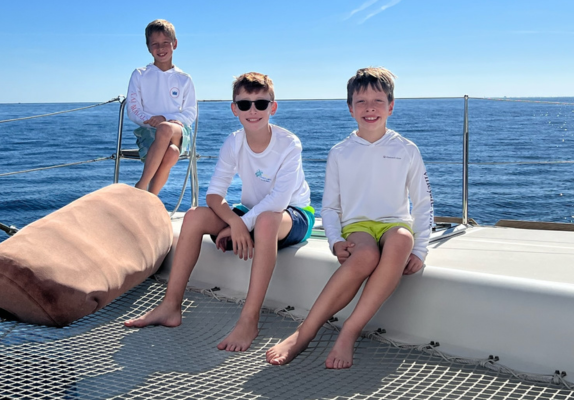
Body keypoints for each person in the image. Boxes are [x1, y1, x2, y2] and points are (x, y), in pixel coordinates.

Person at [125, 72, 315, 352]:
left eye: (261, 104)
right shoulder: (233, 142)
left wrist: (241, 224)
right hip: (252, 213)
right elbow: (214, 193)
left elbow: (278, 201)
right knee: (194, 216)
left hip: (292, 215)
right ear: (234, 109)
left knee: (265, 221)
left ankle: (249, 320)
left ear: (272, 108)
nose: (253, 111)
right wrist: (234, 224)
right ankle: (170, 306)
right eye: (244, 104)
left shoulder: (289, 144)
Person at [266, 67, 434, 369]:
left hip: (394, 223)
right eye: (361, 102)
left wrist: (420, 250)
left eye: (378, 101)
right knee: (365, 256)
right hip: (358, 227)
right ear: (350, 108)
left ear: (391, 106)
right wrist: (335, 241)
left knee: (402, 240)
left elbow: (423, 204)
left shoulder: (407, 150)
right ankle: (304, 332)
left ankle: (349, 331)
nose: (370, 108)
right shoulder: (340, 152)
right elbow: (330, 207)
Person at [126, 19, 197, 195]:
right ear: (148, 47)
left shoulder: (184, 78)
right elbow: (133, 108)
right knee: (172, 152)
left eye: (166, 43)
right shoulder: (140, 75)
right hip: (149, 130)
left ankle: (141, 187)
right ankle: (151, 199)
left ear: (175, 44)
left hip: (178, 131)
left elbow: (190, 113)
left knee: (166, 129)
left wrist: (164, 119)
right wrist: (151, 121)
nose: (161, 48)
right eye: (155, 44)